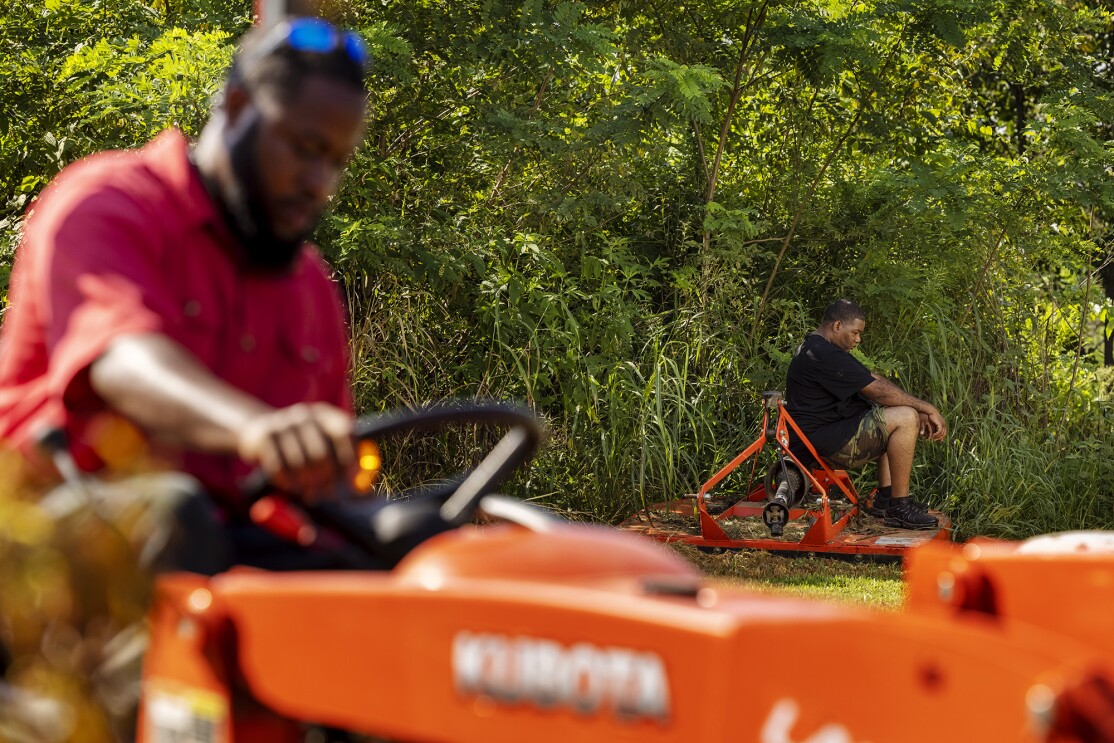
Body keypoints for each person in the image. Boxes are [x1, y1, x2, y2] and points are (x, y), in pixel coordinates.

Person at [0, 17, 372, 570]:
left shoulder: (310, 287)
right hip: (43, 546)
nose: (320, 183)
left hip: (224, 547)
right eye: (305, 148)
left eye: (336, 161)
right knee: (173, 514)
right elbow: (123, 363)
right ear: (238, 105)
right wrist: (253, 427)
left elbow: (327, 482)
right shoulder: (105, 204)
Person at [784, 299, 947, 529]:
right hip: (820, 443)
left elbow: (870, 379)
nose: (858, 339)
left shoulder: (821, 348)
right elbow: (877, 390)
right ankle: (899, 507)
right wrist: (926, 408)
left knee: (890, 414)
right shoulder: (822, 353)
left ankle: (886, 498)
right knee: (905, 418)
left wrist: (917, 407)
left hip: (824, 436)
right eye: (855, 333)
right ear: (837, 326)